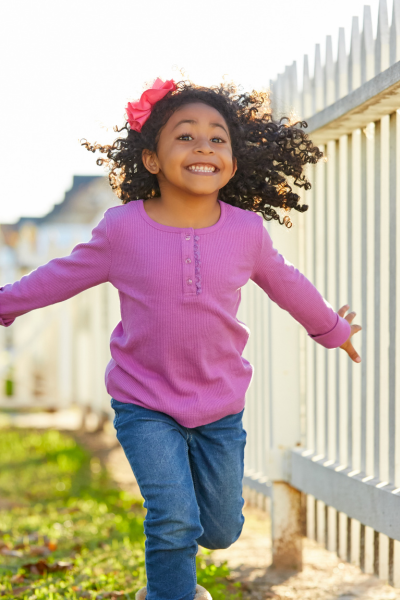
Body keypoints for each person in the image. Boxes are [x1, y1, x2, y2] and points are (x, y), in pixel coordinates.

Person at [0, 77, 362, 600]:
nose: (203, 147)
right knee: (172, 518)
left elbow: (289, 285)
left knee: (218, 530)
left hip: (219, 406)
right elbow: (58, 275)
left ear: (234, 163)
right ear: (151, 159)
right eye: (185, 136)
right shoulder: (122, 229)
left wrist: (334, 330)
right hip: (143, 401)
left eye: (218, 139)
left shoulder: (245, 232)